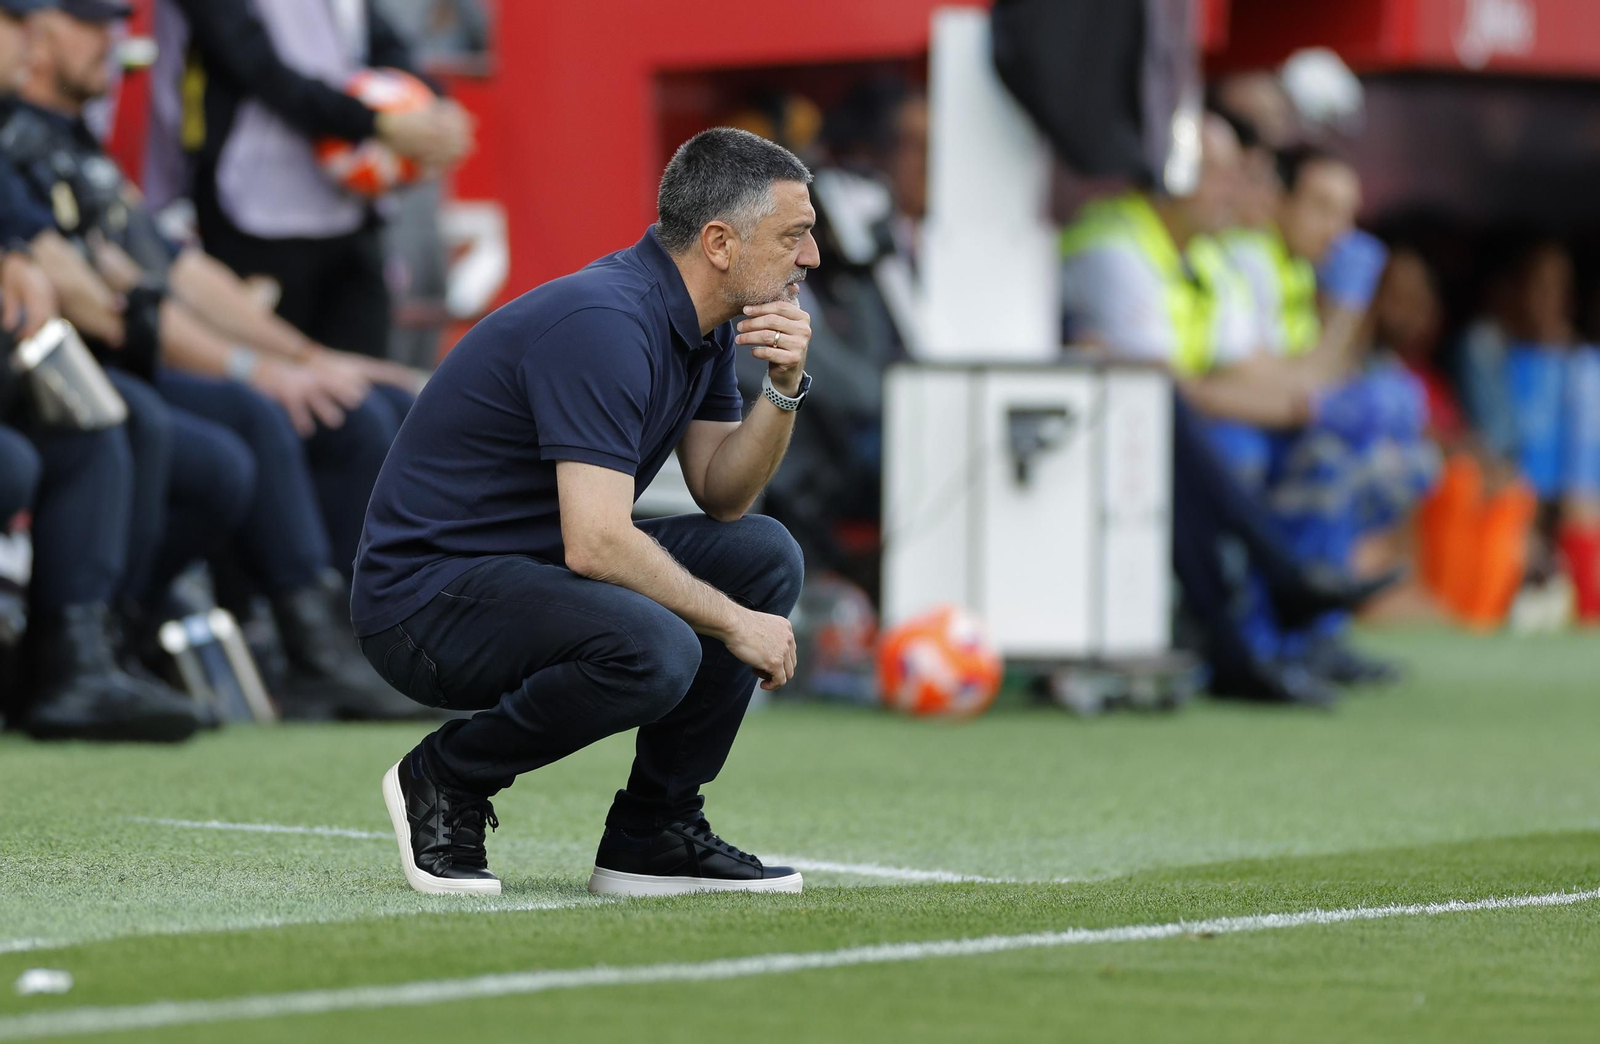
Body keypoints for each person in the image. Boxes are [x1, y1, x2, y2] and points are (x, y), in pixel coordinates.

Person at [356, 128, 814, 897]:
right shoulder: (606, 322)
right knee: (659, 648)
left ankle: (653, 834)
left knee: (762, 555)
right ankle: (446, 777)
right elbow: (597, 542)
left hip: (527, 578)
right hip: (423, 604)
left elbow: (724, 492)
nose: (811, 259)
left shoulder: (700, 326)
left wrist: (785, 384)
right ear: (720, 243)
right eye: (794, 236)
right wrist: (735, 623)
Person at [0, 0, 421, 719]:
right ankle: (87, 652)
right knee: (212, 428)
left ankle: (126, 638)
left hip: (103, 366)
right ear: (39, 37)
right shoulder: (16, 139)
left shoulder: (74, 145)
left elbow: (173, 275)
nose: (116, 39)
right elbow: (103, 292)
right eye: (92, 23)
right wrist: (249, 368)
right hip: (82, 368)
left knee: (339, 408)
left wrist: (308, 355)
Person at [159, 0, 473, 360]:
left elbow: (380, 40)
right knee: (279, 386)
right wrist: (374, 123)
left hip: (349, 214)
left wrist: (429, 107)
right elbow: (256, 66)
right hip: (255, 216)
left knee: (367, 391)